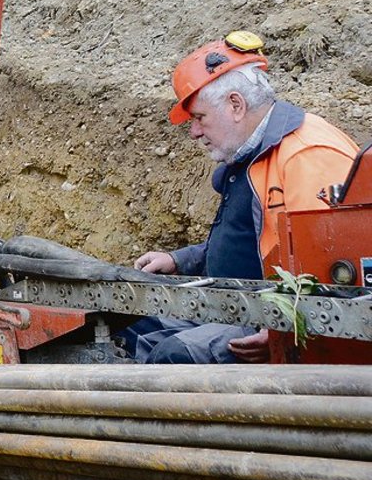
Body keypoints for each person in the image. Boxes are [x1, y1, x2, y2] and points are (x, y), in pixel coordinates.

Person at [124, 31, 359, 363]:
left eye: (199, 118)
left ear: (236, 104)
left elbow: (335, 269)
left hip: (278, 318)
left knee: (174, 355)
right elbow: (251, 241)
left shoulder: (307, 156)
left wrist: (284, 327)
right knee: (131, 325)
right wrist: (181, 260)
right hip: (237, 304)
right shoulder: (251, 156)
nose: (193, 131)